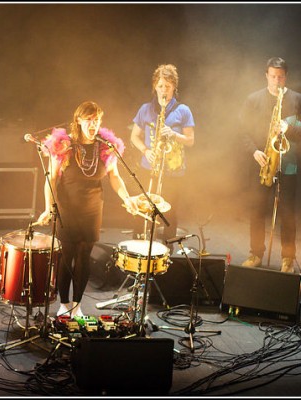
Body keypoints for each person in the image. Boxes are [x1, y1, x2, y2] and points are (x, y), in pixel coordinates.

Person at [36, 101, 139, 318]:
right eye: (89, 120)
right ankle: (63, 305)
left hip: (92, 208)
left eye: (97, 120)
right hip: (67, 206)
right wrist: (49, 207)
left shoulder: (106, 147)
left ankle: (77, 305)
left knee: (84, 255)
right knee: (67, 256)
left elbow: (115, 177)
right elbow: (51, 179)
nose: (93, 125)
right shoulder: (64, 145)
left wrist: (127, 198)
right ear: (79, 121)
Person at [239, 57, 301, 273]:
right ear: (266, 76)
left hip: (289, 164)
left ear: (286, 77)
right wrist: (254, 151)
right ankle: (256, 253)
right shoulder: (253, 100)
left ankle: (287, 258)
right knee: (256, 210)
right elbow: (243, 131)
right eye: (273, 76)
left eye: (281, 77)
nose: (277, 81)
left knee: (288, 213)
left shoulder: (296, 99)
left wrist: (289, 128)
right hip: (262, 160)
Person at [130, 64, 195, 250]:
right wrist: (145, 150)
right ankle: (140, 249)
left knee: (169, 214)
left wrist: (174, 134)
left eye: (167, 86)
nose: (163, 90)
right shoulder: (146, 109)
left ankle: (167, 252)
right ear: (154, 87)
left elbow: (190, 140)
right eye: (160, 86)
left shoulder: (183, 110)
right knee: (143, 211)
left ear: (174, 87)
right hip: (148, 168)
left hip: (173, 171)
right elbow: (134, 136)